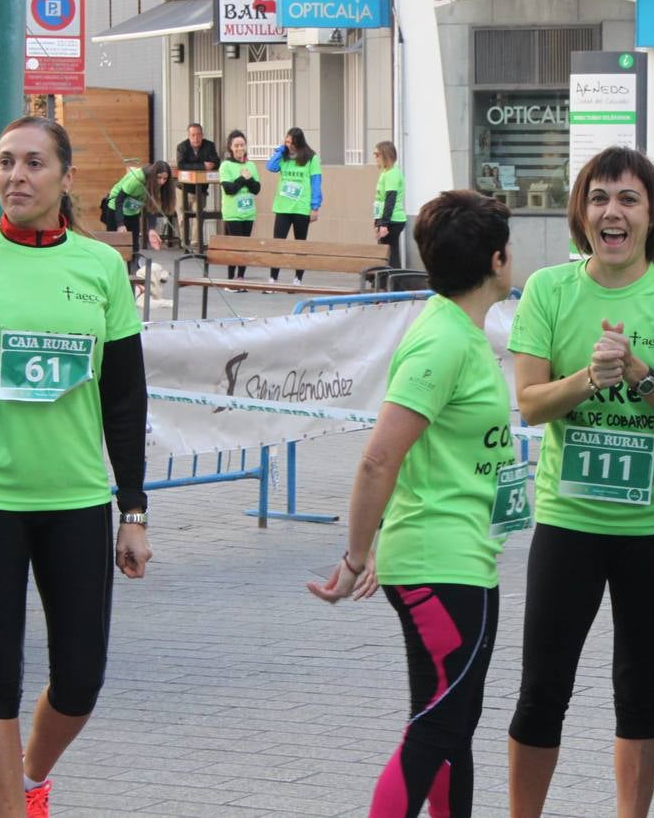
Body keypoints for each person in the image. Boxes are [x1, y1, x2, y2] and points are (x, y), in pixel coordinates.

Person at [0, 116, 151, 818]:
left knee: (81, 678)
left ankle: (30, 775)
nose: (16, 175)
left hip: (76, 499)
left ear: (66, 179)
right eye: (5, 162)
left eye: (33, 163)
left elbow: (125, 402)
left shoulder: (101, 267)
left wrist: (133, 511)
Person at [506, 146, 654, 818]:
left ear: (652, 217)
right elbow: (531, 403)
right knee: (542, 688)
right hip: (568, 525)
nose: (611, 212)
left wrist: (639, 377)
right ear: (581, 213)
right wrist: (586, 378)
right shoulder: (548, 289)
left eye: (628, 199)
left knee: (640, 686)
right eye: (598, 198)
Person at [309, 190, 521, 817]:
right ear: (498, 259)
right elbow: (380, 457)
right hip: (440, 560)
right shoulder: (443, 342)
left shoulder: (456, 330)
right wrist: (355, 556)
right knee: (436, 727)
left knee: (450, 728)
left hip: (459, 556)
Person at [265, 127, 322, 285]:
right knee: (278, 243)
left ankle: (298, 278)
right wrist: (280, 150)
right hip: (283, 207)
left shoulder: (311, 158)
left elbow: (316, 182)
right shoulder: (282, 156)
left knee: (300, 244)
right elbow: (270, 167)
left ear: (300, 142)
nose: (290, 145)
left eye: (292, 143)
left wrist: (315, 207)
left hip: (301, 207)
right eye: (287, 142)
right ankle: (273, 278)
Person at [106, 160, 176, 271]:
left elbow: (151, 207)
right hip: (115, 208)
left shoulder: (158, 185)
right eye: (159, 178)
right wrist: (120, 223)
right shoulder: (138, 178)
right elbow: (119, 199)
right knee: (115, 247)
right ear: (153, 174)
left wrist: (152, 229)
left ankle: (134, 276)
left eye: (165, 178)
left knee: (134, 247)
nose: (162, 182)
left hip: (133, 211)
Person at [218, 130, 261, 284]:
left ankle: (241, 276)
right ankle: (231, 278)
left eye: (242, 145)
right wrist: (244, 178)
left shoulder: (251, 165)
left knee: (245, 245)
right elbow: (229, 189)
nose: (239, 148)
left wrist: (247, 180)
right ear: (230, 147)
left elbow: (256, 189)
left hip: (248, 212)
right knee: (235, 245)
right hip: (232, 213)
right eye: (236, 145)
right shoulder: (226, 165)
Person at [176, 123, 220, 247]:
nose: (196, 138)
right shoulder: (182, 147)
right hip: (182, 189)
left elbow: (216, 162)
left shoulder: (209, 145)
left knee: (198, 216)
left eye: (199, 135)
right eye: (193, 135)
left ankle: (195, 243)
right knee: (182, 216)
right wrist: (202, 166)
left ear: (202, 135)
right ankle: (184, 242)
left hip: (201, 189)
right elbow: (181, 165)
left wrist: (210, 165)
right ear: (189, 136)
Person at [373, 140, 408, 269]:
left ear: (385, 155)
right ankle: (386, 283)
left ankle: (395, 284)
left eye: (377, 154)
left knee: (390, 254)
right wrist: (378, 221)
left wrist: (384, 224)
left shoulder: (392, 174)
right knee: (385, 253)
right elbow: (379, 200)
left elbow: (390, 200)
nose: (375, 158)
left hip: (393, 220)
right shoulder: (386, 173)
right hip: (387, 220)